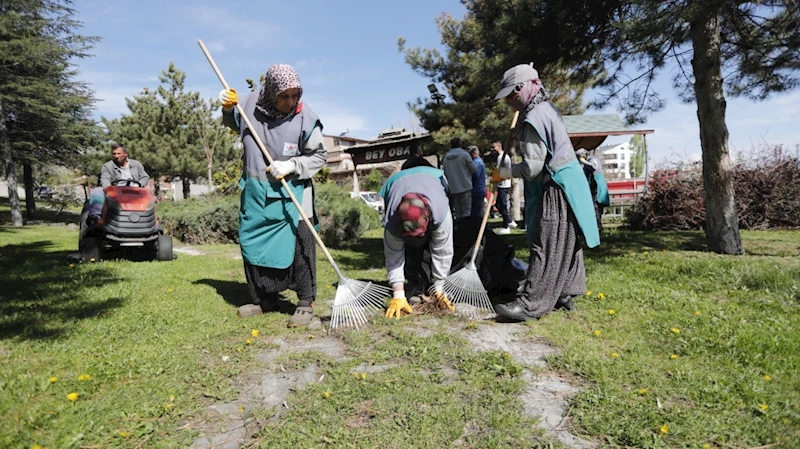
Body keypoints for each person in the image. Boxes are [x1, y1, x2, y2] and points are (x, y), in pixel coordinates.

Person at [218, 64, 327, 328]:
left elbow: (319, 155)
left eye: (295, 95)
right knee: (253, 243)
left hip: (293, 192)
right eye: (284, 96)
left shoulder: (305, 118)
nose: (290, 102)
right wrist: (228, 108)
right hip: (256, 192)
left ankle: (304, 302)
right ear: (270, 92)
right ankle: (264, 299)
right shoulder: (248, 105)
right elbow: (232, 123)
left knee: (301, 244)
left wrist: (293, 166)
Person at [491, 64, 600, 321]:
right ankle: (564, 292)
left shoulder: (533, 118)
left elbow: (531, 168)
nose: (508, 101)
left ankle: (531, 304)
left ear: (522, 89)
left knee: (546, 242)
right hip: (571, 181)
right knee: (567, 240)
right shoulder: (547, 109)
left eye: (510, 95)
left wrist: (504, 173)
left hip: (557, 185)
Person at [379, 166, 455, 318]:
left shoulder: (441, 213)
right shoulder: (392, 223)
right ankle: (413, 280)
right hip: (396, 182)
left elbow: (443, 251)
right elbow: (393, 255)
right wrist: (398, 294)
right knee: (408, 248)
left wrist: (439, 288)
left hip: (435, 177)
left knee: (431, 245)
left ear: (428, 218)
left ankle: (432, 284)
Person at [84, 143, 150, 225]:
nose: (116, 156)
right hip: (115, 192)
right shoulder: (107, 166)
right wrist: (111, 190)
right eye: (114, 154)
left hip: (134, 191)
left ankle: (147, 220)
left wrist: (138, 185)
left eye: (118, 153)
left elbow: (145, 177)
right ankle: (94, 218)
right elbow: (105, 180)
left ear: (125, 153)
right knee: (98, 191)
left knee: (149, 195)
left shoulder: (136, 165)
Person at [576, 148, 610, 231]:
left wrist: (583, 162)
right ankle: (596, 227)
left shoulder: (592, 160)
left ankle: (598, 228)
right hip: (592, 189)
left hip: (597, 189)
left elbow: (594, 166)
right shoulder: (584, 166)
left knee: (596, 208)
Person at [442, 137, 477, 219]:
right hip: (465, 186)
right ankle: (465, 228)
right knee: (466, 211)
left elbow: (445, 172)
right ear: (460, 144)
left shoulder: (446, 157)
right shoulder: (464, 155)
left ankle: (458, 228)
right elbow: (474, 169)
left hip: (453, 188)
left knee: (457, 211)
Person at [492, 140, 517, 234]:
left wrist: (497, 177)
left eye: (494, 147)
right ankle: (509, 221)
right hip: (501, 184)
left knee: (502, 205)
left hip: (504, 184)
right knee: (498, 205)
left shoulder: (503, 158)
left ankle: (506, 225)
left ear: (498, 147)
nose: (493, 149)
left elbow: (505, 171)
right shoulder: (500, 157)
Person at [468, 146, 486, 218]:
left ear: (474, 153)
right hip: (478, 189)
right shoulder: (477, 162)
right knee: (476, 210)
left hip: (477, 190)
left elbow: (475, 175)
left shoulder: (477, 162)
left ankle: (477, 226)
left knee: (475, 211)